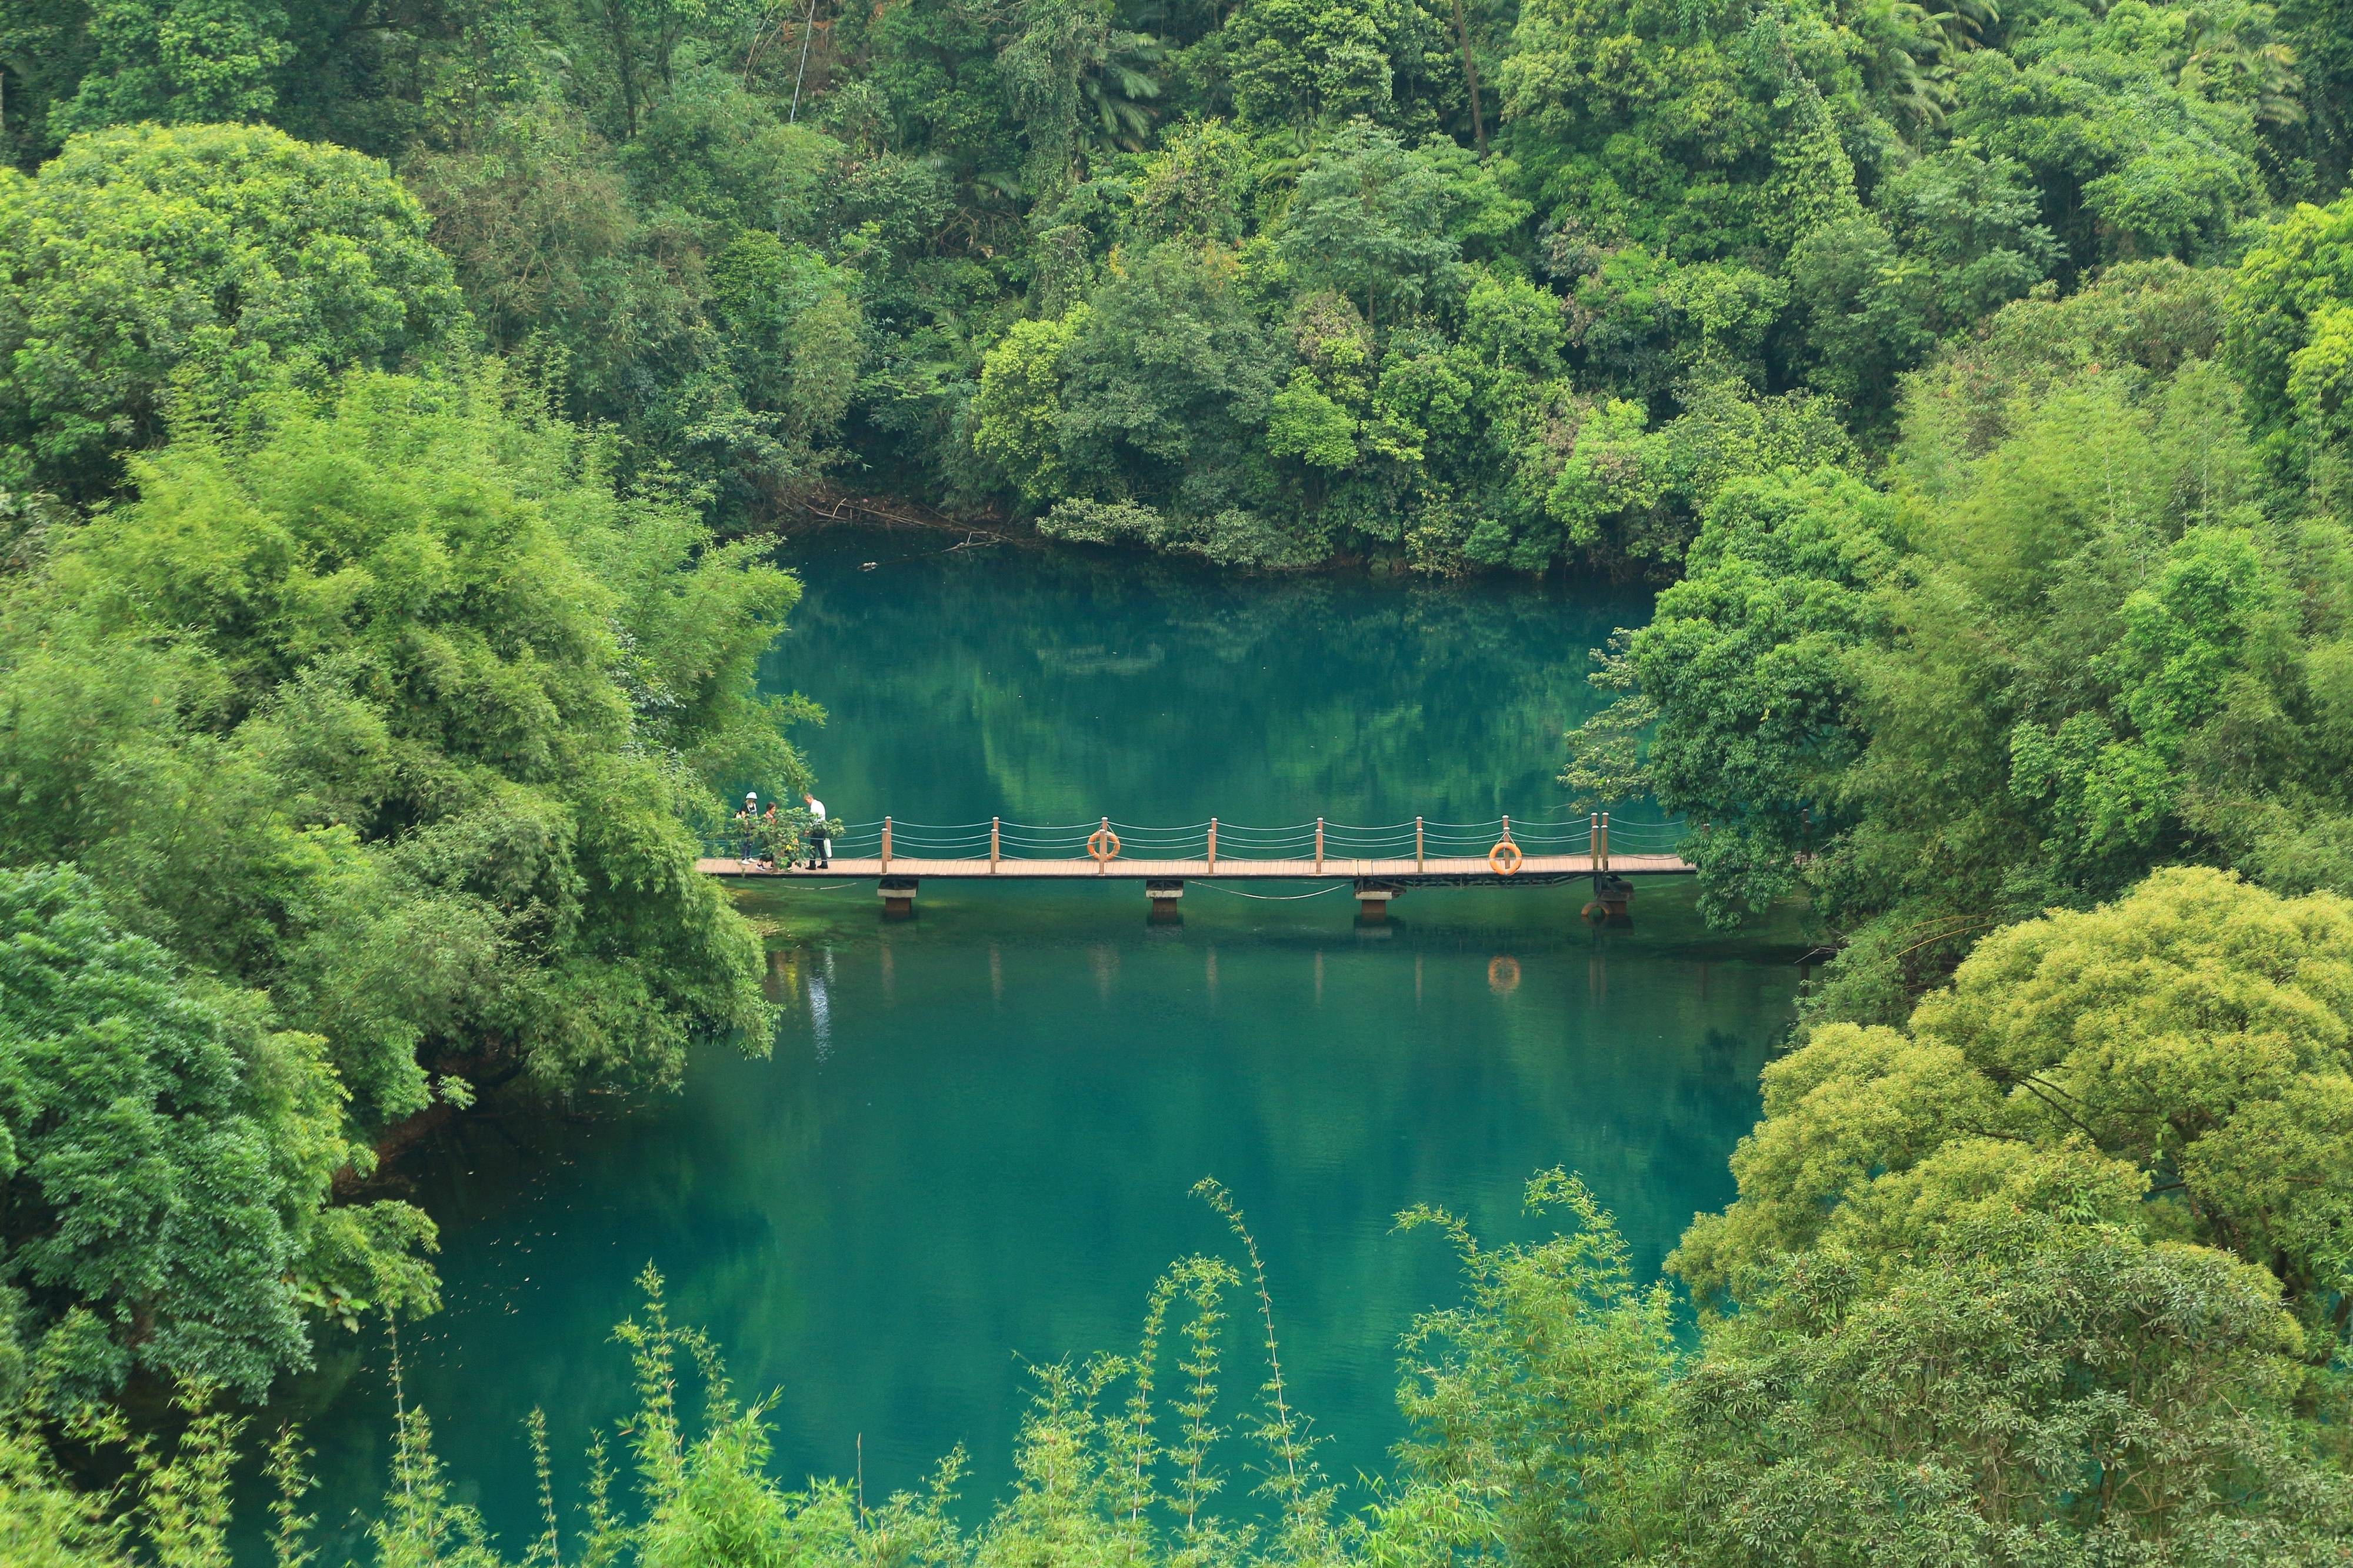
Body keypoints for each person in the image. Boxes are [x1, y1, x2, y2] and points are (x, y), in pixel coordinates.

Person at [804, 790, 830, 869]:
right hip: (823, 827)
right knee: (821, 846)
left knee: (813, 847)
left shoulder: (813, 806)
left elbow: (812, 819)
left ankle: (812, 865)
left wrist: (808, 830)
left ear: (810, 798)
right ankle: (825, 863)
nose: (806, 802)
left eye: (806, 800)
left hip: (816, 828)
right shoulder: (820, 803)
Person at [738, 791, 759, 864]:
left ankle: (749, 856)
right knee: (746, 841)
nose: (752, 800)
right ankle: (743, 858)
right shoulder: (745, 805)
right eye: (751, 798)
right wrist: (746, 824)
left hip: (754, 824)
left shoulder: (754, 805)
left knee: (751, 841)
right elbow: (743, 815)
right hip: (747, 825)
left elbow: (756, 814)